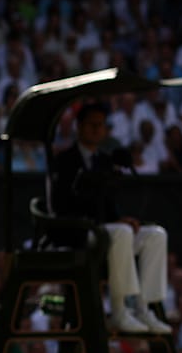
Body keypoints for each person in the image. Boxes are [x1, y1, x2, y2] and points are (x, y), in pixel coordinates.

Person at [47, 104, 171, 334]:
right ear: (79, 127)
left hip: (106, 231)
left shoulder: (105, 161)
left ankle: (144, 308)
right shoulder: (64, 161)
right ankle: (119, 311)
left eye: (101, 125)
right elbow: (60, 205)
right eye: (92, 125)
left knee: (155, 235)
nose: (96, 130)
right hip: (76, 232)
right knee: (120, 233)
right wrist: (105, 223)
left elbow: (109, 204)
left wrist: (122, 218)